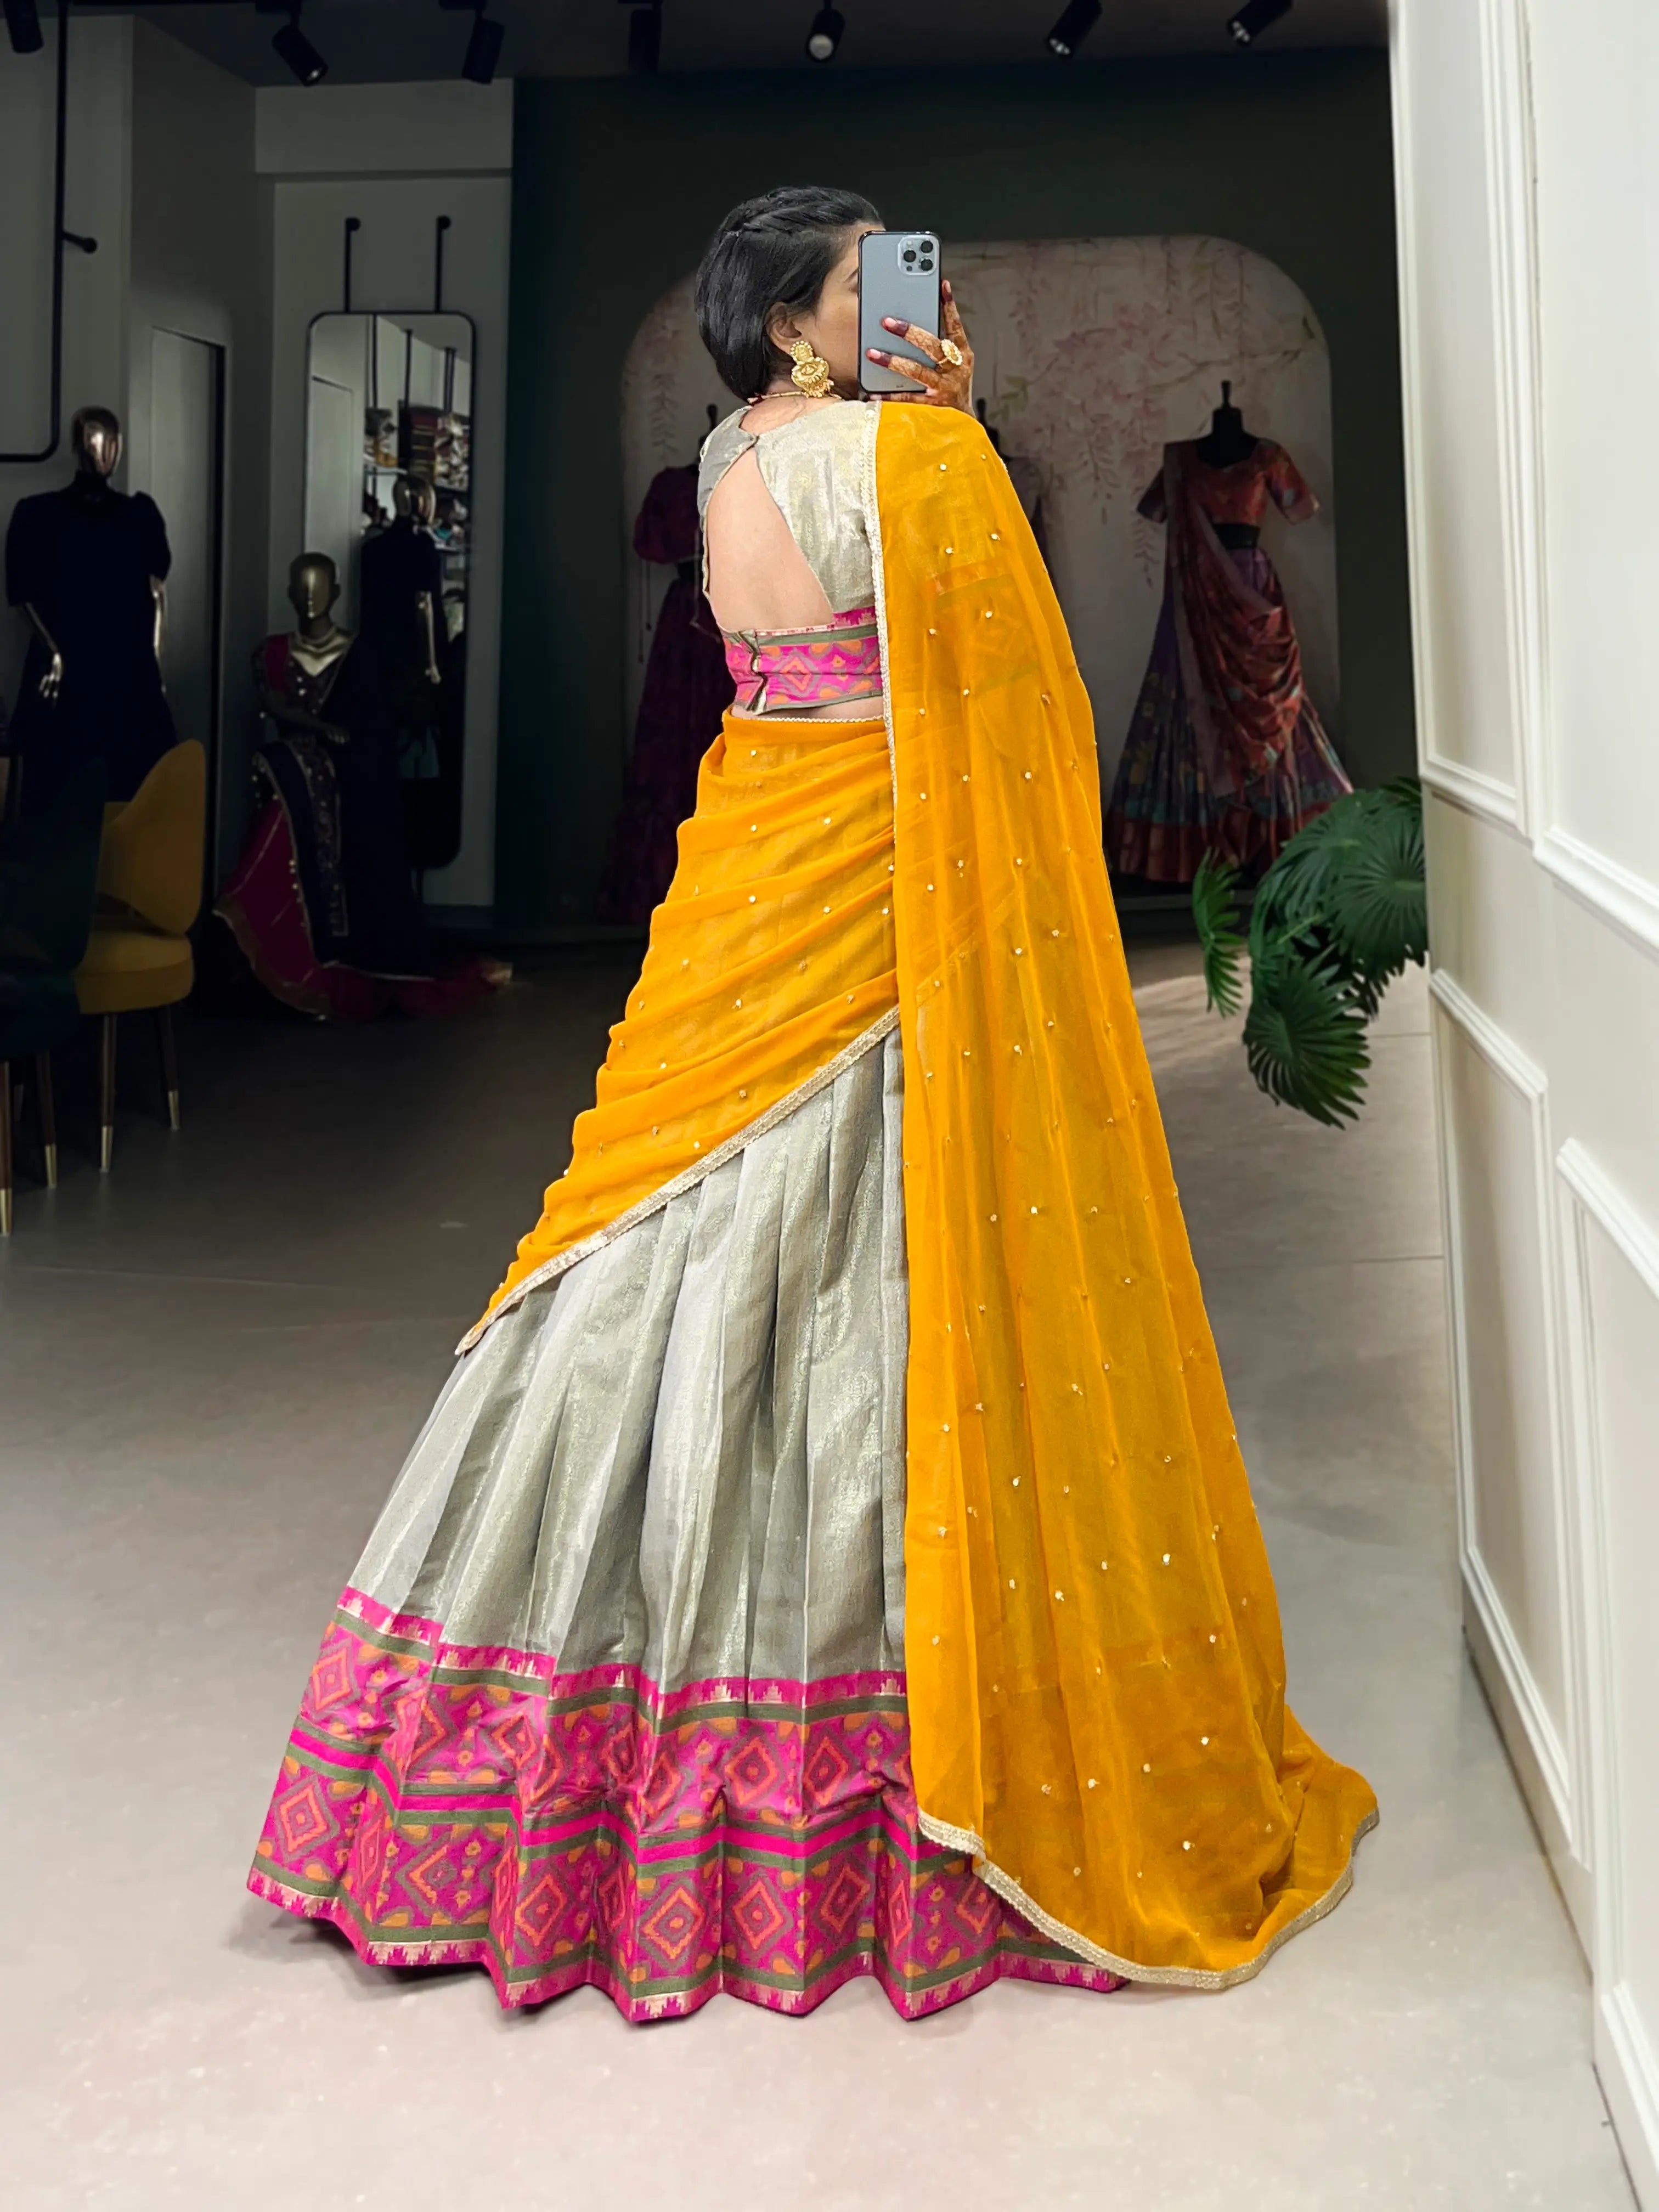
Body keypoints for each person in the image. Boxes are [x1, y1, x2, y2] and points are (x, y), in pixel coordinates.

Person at [249, 188, 1375, 2020]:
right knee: (872, 1245)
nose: (905, 297)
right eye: (867, 282)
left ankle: (521, 1742)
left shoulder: (723, 459)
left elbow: (761, 667)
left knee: (654, 1226)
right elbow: (1013, 698)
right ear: (788, 320)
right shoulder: (909, 457)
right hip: (879, 871)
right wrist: (955, 434)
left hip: (754, 859)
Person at [216, 552, 503, 1020]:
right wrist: (318, 729)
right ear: (290, 593)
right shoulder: (272, 654)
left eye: (319, 586)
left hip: (345, 775)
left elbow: (367, 730)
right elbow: (277, 707)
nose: (310, 596)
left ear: (336, 592)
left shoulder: (357, 654)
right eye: (302, 586)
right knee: (286, 797)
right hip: (292, 771)